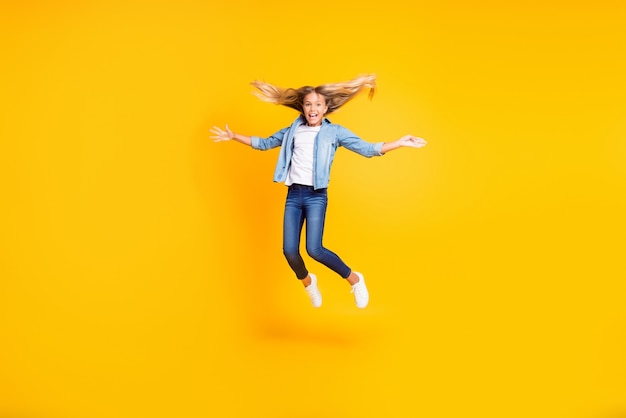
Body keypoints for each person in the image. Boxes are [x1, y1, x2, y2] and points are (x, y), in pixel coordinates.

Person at [210, 74, 427, 309]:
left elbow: (367, 149)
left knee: (314, 249)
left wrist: (399, 142)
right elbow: (264, 143)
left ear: (326, 108)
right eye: (308, 104)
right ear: (303, 107)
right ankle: (308, 282)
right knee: (290, 251)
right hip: (294, 195)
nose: (312, 108)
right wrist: (233, 137)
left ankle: (354, 280)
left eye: (317, 104)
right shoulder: (293, 130)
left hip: (316, 196)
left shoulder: (335, 133)